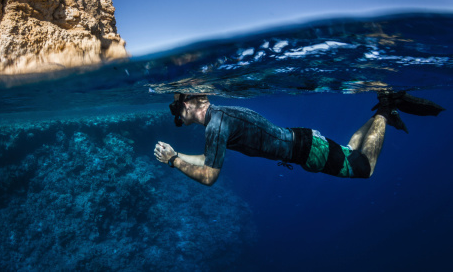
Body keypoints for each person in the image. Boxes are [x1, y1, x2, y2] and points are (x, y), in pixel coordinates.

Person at [154, 92, 445, 186]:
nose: (176, 112)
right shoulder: (221, 115)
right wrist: (177, 154)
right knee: (349, 151)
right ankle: (383, 112)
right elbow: (207, 159)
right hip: (305, 141)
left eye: (177, 105)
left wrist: (174, 161)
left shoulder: (215, 125)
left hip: (307, 151)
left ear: (197, 100)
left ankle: (384, 111)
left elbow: (209, 175)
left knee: (364, 167)